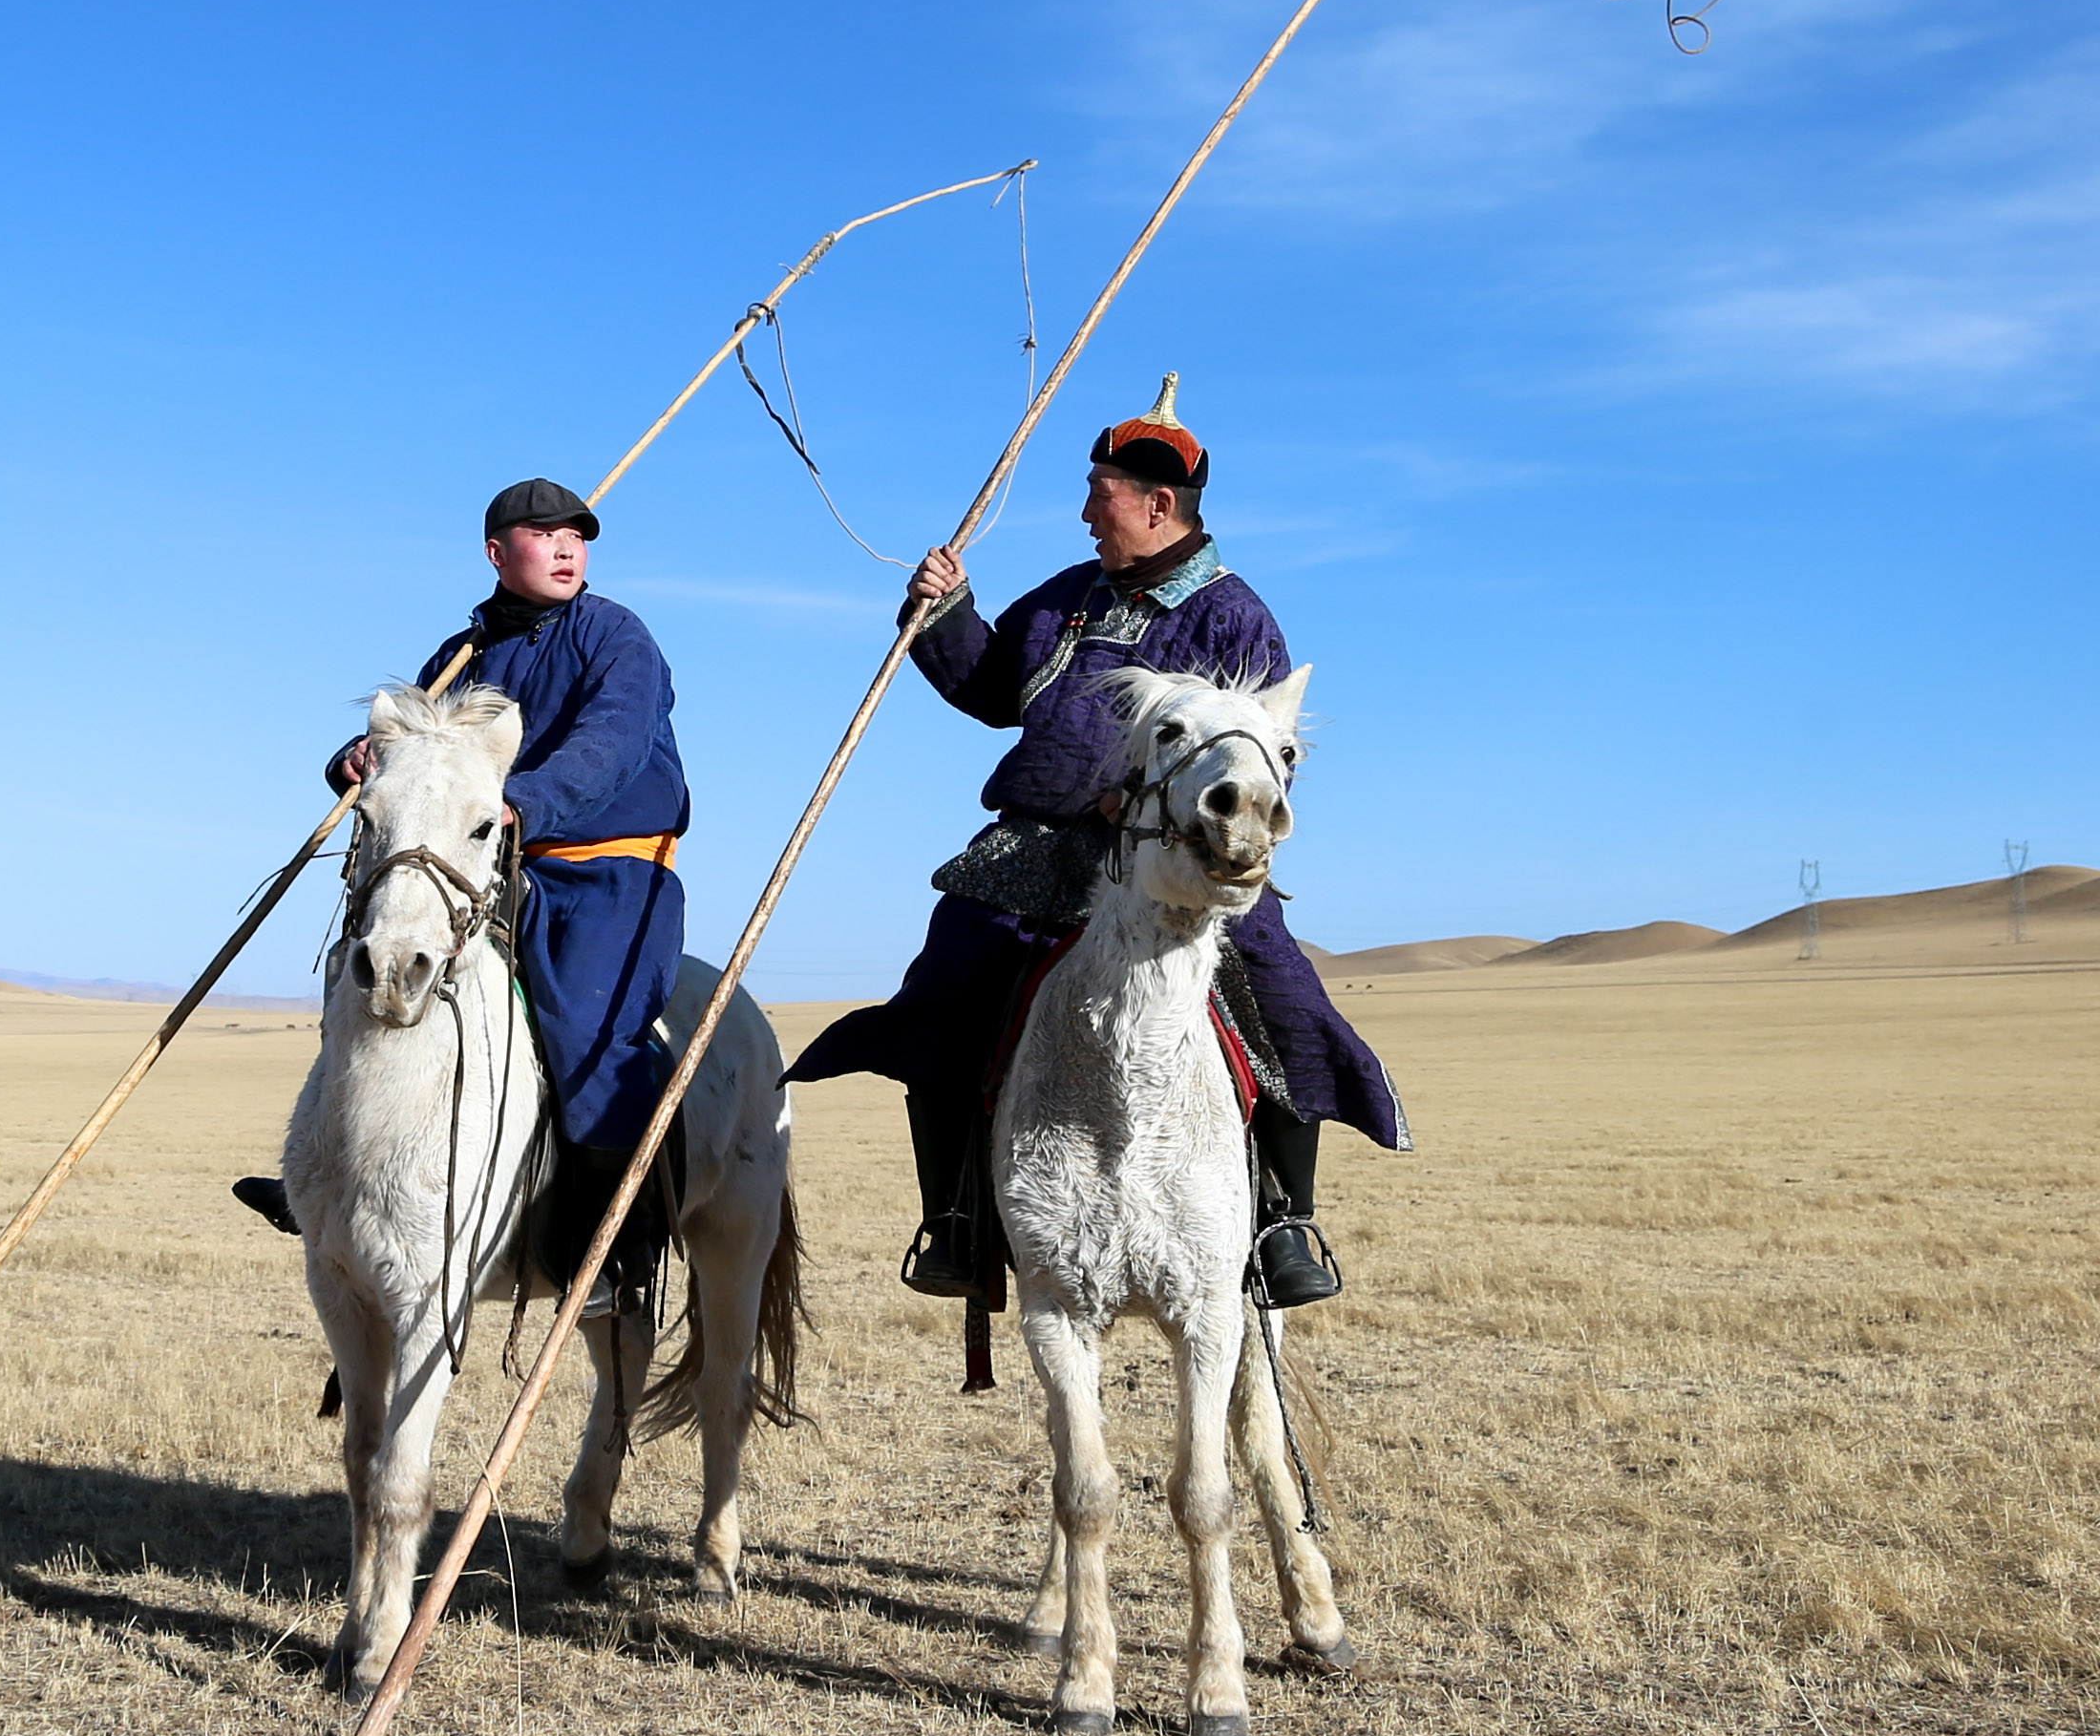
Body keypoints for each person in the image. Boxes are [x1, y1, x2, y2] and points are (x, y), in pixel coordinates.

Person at [787, 383, 1402, 1312]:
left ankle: (1281, 1223)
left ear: (1158, 505)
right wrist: (947, 613)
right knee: (944, 982)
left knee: (1280, 990)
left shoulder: (1231, 616)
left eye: (1099, 494)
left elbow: (1262, 756)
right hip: (1034, 842)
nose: (1083, 513)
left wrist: (1178, 825)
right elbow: (993, 688)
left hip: (1172, 855)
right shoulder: (1071, 599)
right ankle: (956, 1216)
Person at [234, 477, 695, 1315]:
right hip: (486, 867)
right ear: (496, 553)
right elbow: (414, 743)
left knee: (589, 1027)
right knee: (365, 967)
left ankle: (609, 1246)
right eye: (546, 534)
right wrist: (355, 757)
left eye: (577, 537)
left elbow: (613, 745)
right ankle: (335, 1186)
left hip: (608, 870)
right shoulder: (463, 652)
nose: (565, 548)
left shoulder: (617, 637)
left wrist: (525, 803)